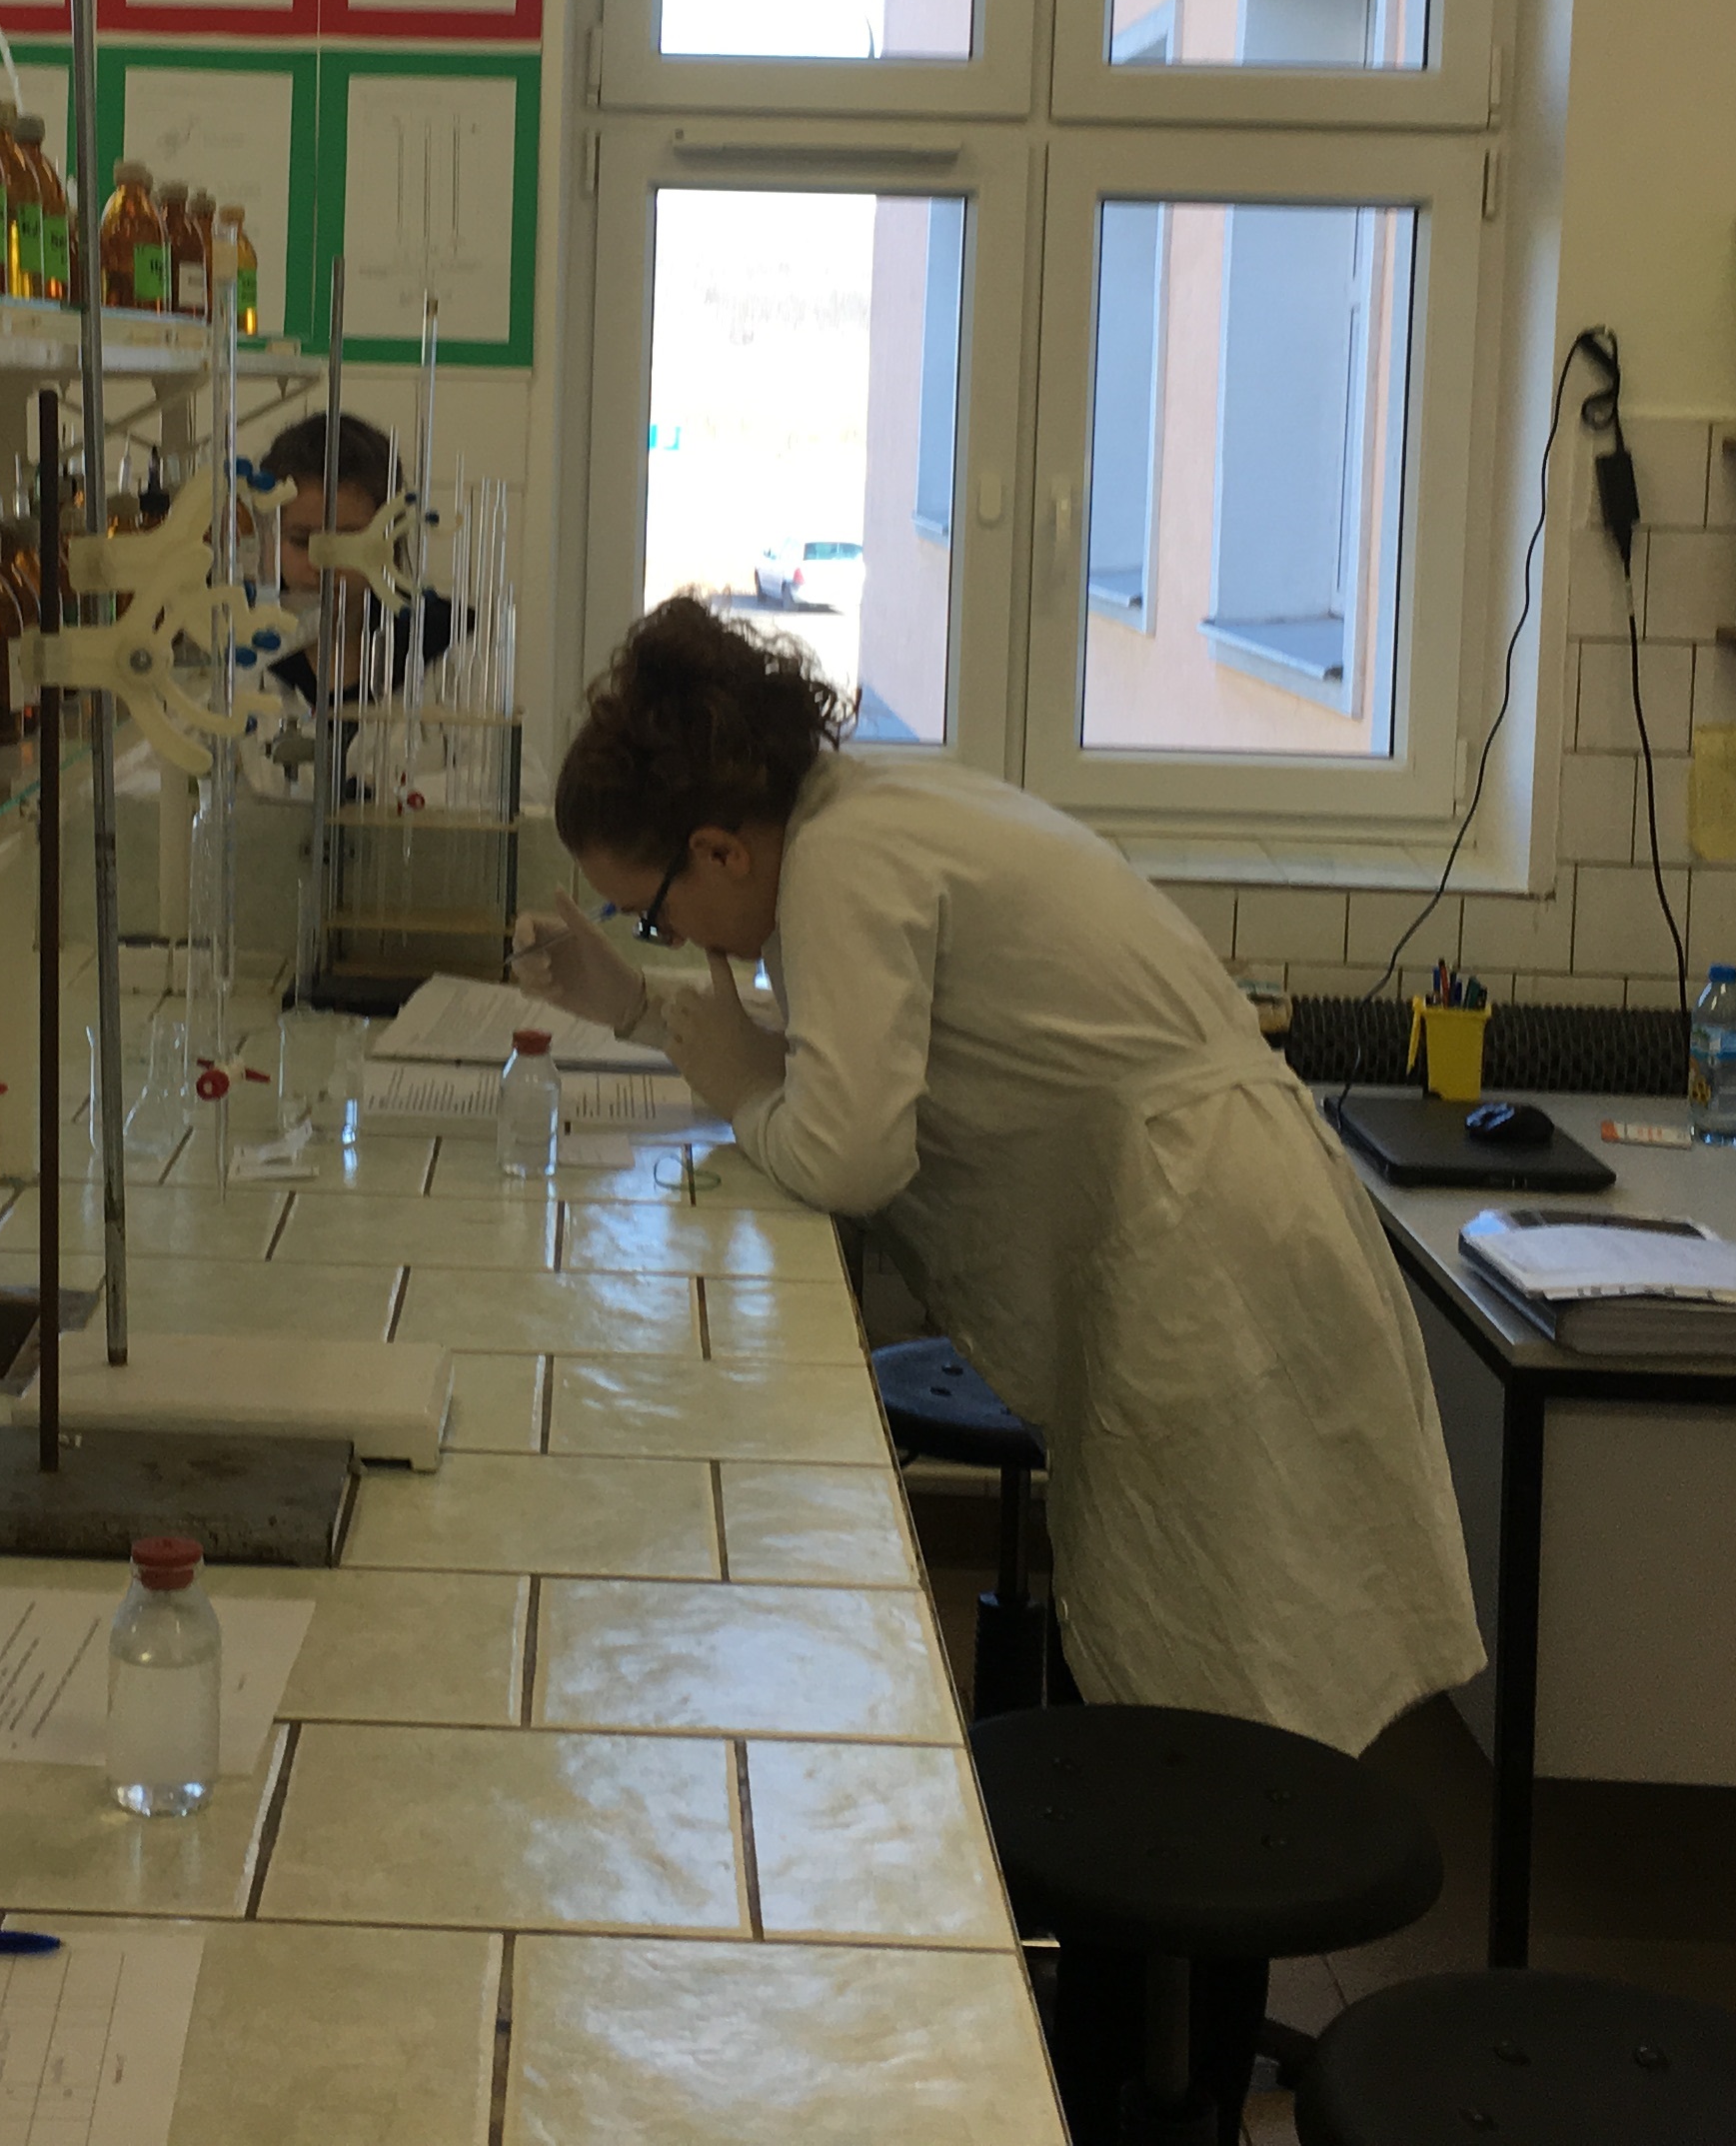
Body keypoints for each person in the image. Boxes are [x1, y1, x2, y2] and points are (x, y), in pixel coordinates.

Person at [512, 596, 1482, 1755]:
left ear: (720, 849)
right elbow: (838, 1066)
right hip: (1213, 1199)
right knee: (1216, 1669)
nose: (674, 941)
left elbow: (848, 1153)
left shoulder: (839, 865)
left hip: (1207, 1234)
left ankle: (1180, 1870)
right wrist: (630, 1003)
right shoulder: (858, 813)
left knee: (1227, 1694)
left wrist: (740, 1095)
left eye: (651, 918)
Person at [259, 410, 450, 707]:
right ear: (268, 537)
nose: (321, 566)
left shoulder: (452, 645)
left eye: (347, 543)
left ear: (389, 539)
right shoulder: (239, 651)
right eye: (301, 541)